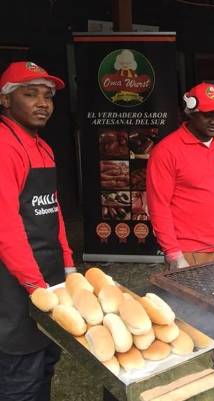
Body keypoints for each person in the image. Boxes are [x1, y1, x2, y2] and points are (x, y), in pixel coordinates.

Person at [0, 61, 76, 401]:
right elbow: (6, 227)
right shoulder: (5, 146)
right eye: (30, 94)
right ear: (5, 100)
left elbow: (53, 210)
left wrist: (69, 265)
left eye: (47, 96)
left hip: (49, 274)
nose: (43, 103)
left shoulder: (43, 147)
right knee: (22, 376)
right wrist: (35, 285)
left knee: (47, 359)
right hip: (13, 283)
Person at [147, 82, 214, 269]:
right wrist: (174, 254)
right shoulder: (165, 151)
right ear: (191, 113)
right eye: (207, 115)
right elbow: (159, 207)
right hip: (191, 252)